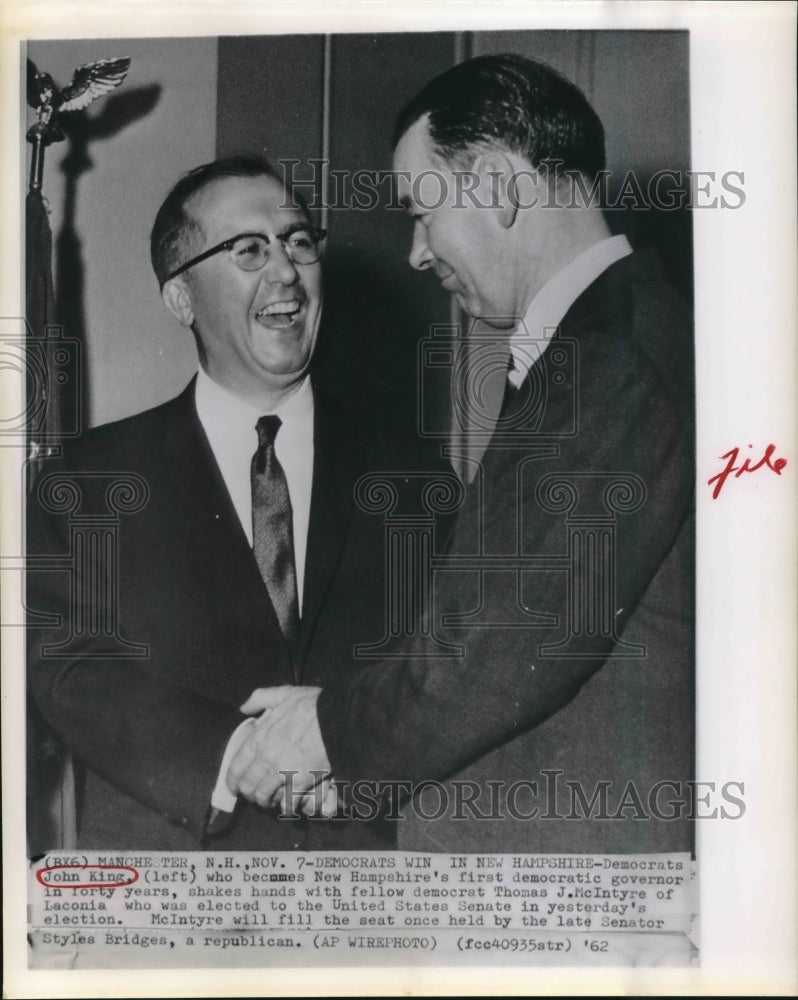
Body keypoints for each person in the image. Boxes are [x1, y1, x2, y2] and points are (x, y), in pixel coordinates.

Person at [227, 54, 696, 854]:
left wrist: (327, 728)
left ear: (501, 187)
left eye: (422, 211)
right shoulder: (602, 346)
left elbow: (508, 645)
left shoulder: (614, 359)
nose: (415, 250)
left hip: (573, 880)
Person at [26, 155, 393, 851]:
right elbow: (68, 668)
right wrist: (233, 757)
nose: (286, 272)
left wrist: (344, 733)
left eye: (300, 242)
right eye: (249, 249)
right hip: (178, 887)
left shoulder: (412, 472)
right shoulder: (88, 481)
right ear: (181, 298)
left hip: (371, 889)